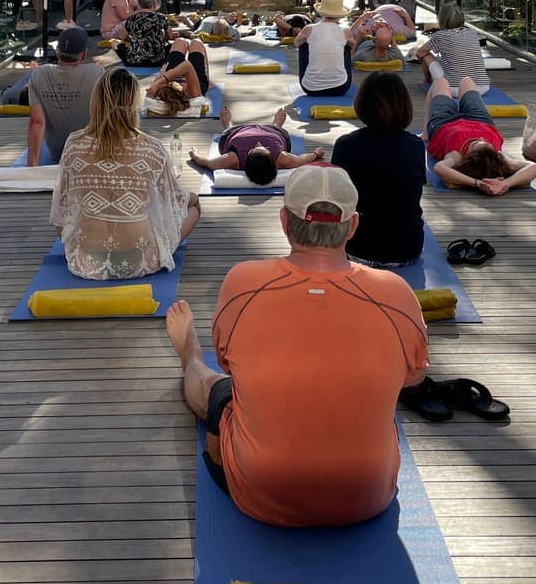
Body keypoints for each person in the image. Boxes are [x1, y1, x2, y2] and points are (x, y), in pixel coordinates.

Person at [164, 165, 430, 527]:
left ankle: (189, 352)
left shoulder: (243, 282)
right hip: (368, 493)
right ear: (352, 227)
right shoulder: (396, 292)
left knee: (215, 385)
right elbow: (412, 379)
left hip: (260, 490)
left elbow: (227, 364)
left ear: (284, 222)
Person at [51, 67, 201, 278]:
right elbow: (173, 199)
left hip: (85, 260)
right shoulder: (152, 148)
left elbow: (61, 208)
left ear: (96, 101)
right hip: (140, 259)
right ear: (133, 104)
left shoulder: (74, 144)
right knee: (193, 207)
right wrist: (192, 199)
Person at [332, 73, 426, 265]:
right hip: (407, 247)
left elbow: (335, 199)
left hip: (358, 247)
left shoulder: (345, 145)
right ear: (404, 105)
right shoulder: (415, 145)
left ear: (362, 105)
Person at [426, 75, 536, 195]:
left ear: (469, 156)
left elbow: (439, 168)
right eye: (484, 141)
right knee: (467, 81)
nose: (480, 137)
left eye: (475, 143)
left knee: (440, 82)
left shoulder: (456, 156)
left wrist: (477, 183)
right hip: (481, 121)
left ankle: (426, 131)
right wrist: (505, 183)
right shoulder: (498, 156)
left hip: (445, 123)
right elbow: (534, 167)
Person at [189, 103, 326, 184]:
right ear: (273, 159)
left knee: (228, 132)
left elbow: (207, 163)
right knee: (279, 131)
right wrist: (316, 153)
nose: (258, 143)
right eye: (264, 148)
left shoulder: (234, 159)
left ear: (248, 154)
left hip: (236, 133)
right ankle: (277, 123)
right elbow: (300, 161)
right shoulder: (281, 158)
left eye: (256, 148)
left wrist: (194, 155)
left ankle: (227, 124)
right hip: (273, 132)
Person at [27, 25, 104, 165]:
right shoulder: (97, 72)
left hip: (58, 154)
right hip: (92, 153)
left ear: (58, 52)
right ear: (84, 54)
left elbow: (37, 123)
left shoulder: (39, 74)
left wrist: (31, 167)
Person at [416, 1, 491, 93]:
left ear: (442, 19)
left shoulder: (440, 35)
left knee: (426, 55)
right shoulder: (472, 33)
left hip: (453, 88)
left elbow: (420, 53)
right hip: (482, 87)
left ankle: (427, 81)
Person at [298, 0, 352, 95]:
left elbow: (296, 43)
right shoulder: (345, 31)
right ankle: (335, 74)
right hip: (341, 87)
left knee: (303, 43)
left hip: (310, 88)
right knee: (346, 45)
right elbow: (353, 45)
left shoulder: (309, 29)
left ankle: (314, 76)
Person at [144, 35, 211, 115]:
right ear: (186, 94)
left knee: (180, 41)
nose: (181, 82)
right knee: (196, 42)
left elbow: (152, 90)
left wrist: (160, 78)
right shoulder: (195, 97)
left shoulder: (156, 98)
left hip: (170, 77)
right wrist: (163, 79)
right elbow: (187, 66)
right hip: (195, 79)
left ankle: (171, 81)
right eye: (182, 85)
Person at [116, 0, 174, 68]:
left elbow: (122, 36)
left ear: (139, 4)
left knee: (115, 43)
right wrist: (161, 40)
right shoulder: (161, 17)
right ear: (154, 4)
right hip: (158, 61)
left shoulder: (133, 18)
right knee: (173, 45)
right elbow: (170, 36)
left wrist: (134, 38)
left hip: (135, 61)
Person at [349, 2, 418, 48]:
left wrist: (361, 18)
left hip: (377, 9)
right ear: (389, 28)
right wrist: (405, 15)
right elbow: (412, 32)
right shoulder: (398, 29)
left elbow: (351, 32)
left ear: (372, 29)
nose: (379, 21)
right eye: (382, 25)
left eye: (379, 25)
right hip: (400, 10)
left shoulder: (367, 29)